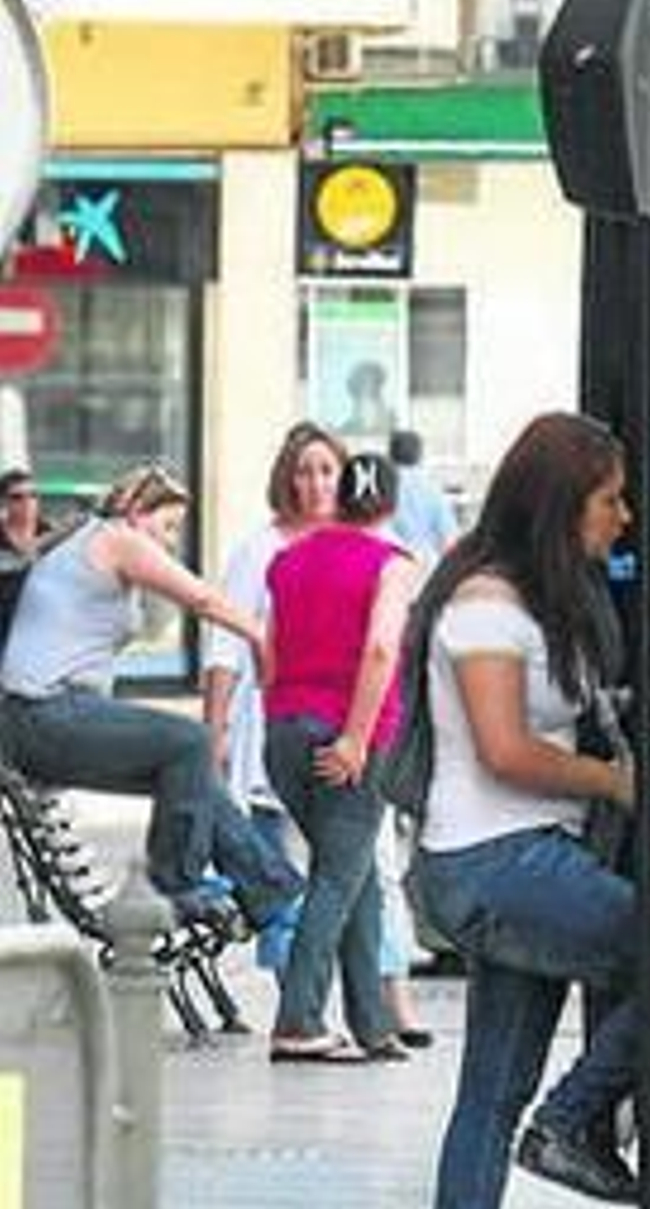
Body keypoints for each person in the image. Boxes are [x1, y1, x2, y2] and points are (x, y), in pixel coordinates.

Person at [412, 412, 639, 1209]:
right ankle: (574, 1120)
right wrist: (614, 780)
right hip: (497, 860)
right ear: (559, 504)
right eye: (609, 499)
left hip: (519, 862)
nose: (623, 518)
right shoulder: (486, 606)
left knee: (488, 1090)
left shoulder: (542, 599)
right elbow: (506, 750)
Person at [0, 462, 303, 931]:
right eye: (167, 526)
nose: (170, 541)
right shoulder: (117, 538)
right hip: (39, 715)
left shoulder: (94, 544)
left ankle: (273, 891)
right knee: (192, 742)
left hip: (44, 719)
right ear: (136, 510)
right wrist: (261, 637)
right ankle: (177, 887)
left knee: (192, 770)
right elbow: (201, 600)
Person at [263, 450, 421, 1062]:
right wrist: (355, 736)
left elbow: (269, 652)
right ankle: (298, 1020)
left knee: (350, 873)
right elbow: (382, 650)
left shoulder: (288, 559)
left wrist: (286, 715)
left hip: (285, 732)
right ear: (390, 502)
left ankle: (371, 1022)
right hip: (350, 737)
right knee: (338, 876)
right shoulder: (394, 565)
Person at [203, 422, 345, 854]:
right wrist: (215, 731)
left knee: (348, 861)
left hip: (345, 726)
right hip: (272, 722)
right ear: (288, 480)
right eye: (305, 472)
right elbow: (225, 646)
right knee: (272, 852)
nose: (317, 483)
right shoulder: (259, 550)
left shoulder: (359, 542)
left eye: (327, 470)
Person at [388, 428, 458, 570]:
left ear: (390, 455)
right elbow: (449, 542)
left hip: (390, 569)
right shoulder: (433, 489)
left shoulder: (383, 487)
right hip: (426, 570)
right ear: (420, 455)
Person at [0, 468, 44, 559]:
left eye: (33, 495)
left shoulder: (52, 534)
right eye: (17, 497)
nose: (27, 503)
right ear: (4, 501)